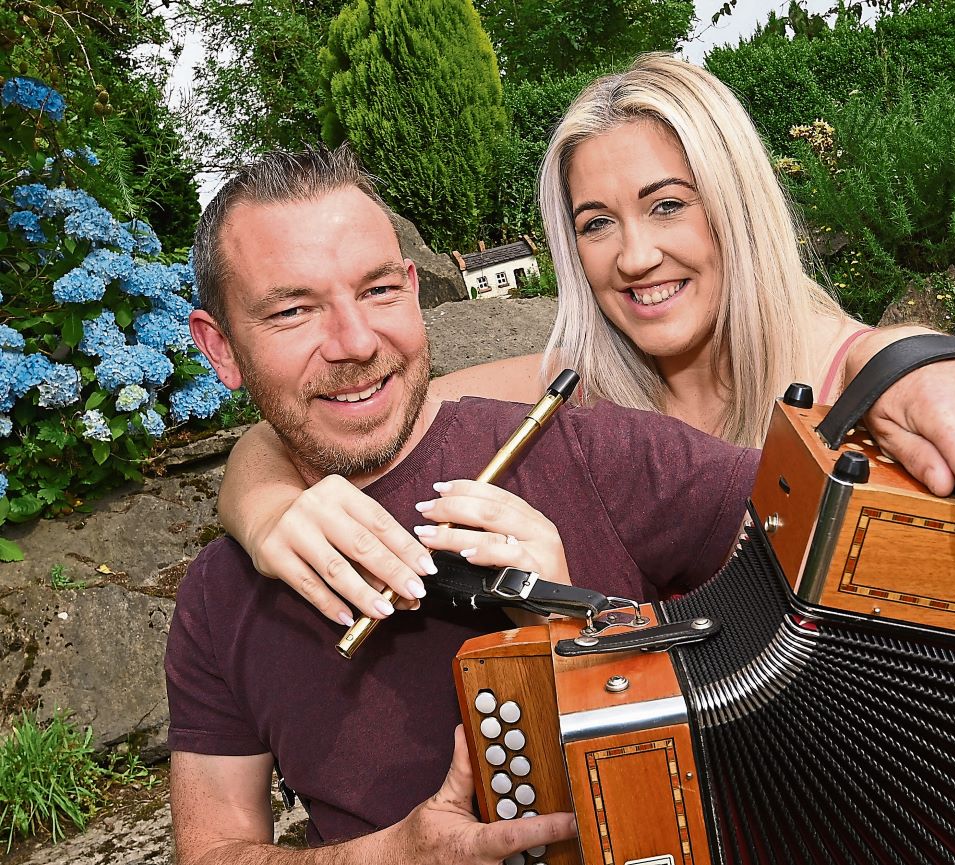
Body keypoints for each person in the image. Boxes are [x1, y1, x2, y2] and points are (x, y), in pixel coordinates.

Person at [215, 54, 955, 628]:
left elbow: (883, 359)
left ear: (734, 204)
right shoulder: (578, 390)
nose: (635, 256)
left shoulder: (853, 379)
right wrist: (263, 514)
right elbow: (365, 400)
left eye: (666, 204)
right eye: (597, 223)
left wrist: (920, 356)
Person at [167, 145, 761, 864]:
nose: (355, 343)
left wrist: (588, 626)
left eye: (380, 290)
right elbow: (211, 850)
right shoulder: (216, 596)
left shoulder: (591, 449)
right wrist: (387, 858)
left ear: (415, 288)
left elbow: (834, 546)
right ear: (219, 347)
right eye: (294, 310)